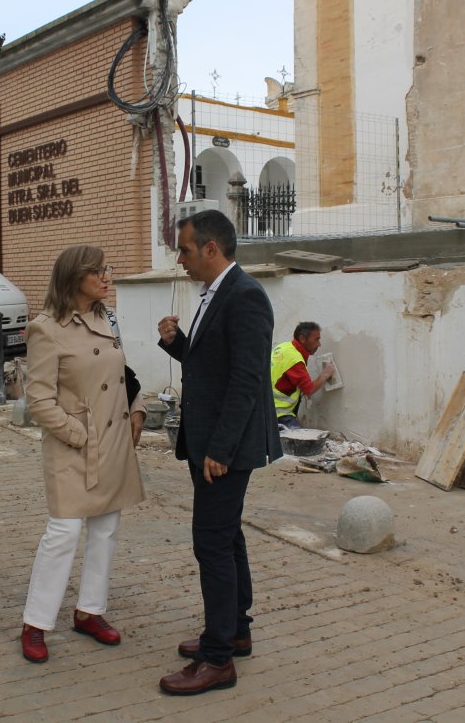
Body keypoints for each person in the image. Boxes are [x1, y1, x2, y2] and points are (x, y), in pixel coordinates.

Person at [156, 210, 282, 695]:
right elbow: (211, 364)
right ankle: (235, 631)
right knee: (227, 538)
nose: (180, 259)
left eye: (185, 250)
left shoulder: (246, 295)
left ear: (211, 249)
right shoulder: (214, 293)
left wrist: (221, 449)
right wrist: (177, 344)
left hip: (224, 447)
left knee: (211, 542)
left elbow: (247, 379)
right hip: (211, 441)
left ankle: (217, 660)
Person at [20, 245, 148, 663]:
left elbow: (122, 375)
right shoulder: (46, 328)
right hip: (73, 446)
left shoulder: (105, 317)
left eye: (107, 269)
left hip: (113, 445)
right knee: (63, 533)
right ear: (75, 278)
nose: (107, 277)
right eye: (98, 271)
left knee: (106, 530)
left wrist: (139, 407)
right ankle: (36, 623)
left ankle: (90, 611)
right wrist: (79, 434)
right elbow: (39, 401)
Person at [272, 321, 337, 428]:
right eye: (316, 339)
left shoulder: (283, 347)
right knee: (299, 441)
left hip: (264, 408)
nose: (319, 344)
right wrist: (325, 374)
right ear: (302, 338)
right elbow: (309, 390)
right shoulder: (295, 360)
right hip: (279, 414)